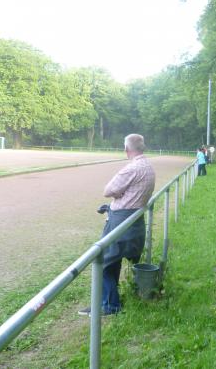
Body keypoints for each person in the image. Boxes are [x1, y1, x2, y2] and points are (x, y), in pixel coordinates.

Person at [79, 134, 155, 316]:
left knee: (102, 262)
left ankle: (110, 306)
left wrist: (119, 196)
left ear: (126, 149)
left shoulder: (131, 169)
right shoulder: (149, 167)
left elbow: (108, 190)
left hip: (120, 221)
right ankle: (106, 302)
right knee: (112, 261)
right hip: (133, 222)